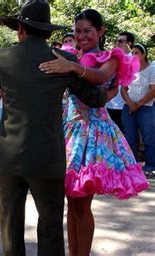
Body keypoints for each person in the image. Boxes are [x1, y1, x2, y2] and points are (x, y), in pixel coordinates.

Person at [0, 1, 109, 255]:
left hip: (8, 157)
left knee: (11, 226)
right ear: (47, 32)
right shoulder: (64, 60)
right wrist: (108, 84)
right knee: (51, 225)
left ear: (21, 29)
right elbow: (96, 99)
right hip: (47, 157)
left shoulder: (2, 57)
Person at [39, 9, 150, 256]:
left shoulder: (110, 57)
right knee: (70, 204)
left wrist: (71, 67)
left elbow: (101, 76)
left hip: (94, 134)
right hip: (68, 132)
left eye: (87, 30)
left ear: (101, 31)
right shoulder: (68, 56)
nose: (81, 36)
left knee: (83, 205)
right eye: (77, 31)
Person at [121, 43, 155, 176]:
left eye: (137, 53)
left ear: (144, 54)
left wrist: (138, 105)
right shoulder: (129, 68)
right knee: (130, 137)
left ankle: (151, 166)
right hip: (129, 108)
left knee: (149, 136)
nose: (134, 55)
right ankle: (131, 166)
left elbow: (153, 90)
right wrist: (131, 104)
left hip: (145, 107)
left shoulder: (152, 69)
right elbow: (123, 89)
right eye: (132, 52)